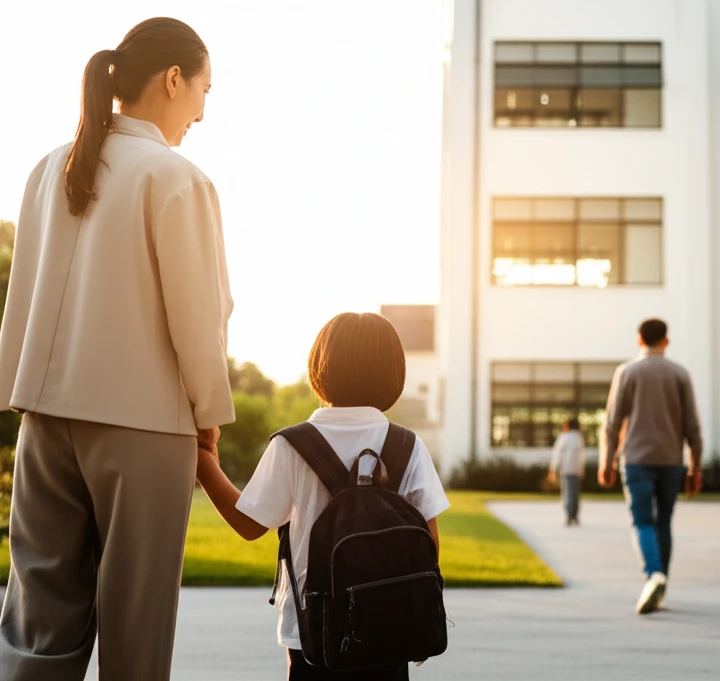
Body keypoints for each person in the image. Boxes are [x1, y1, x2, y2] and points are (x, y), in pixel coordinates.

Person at [0, 18, 233, 681]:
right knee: (137, 632)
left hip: (42, 420)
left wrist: (17, 394)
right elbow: (200, 316)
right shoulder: (177, 177)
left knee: (37, 629)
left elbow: (22, 294)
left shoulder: (51, 167)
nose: (203, 111)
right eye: (204, 90)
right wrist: (207, 414)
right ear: (172, 80)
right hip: (145, 426)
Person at [195, 312, 450, 681]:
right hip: (388, 624)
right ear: (395, 374)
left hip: (312, 635)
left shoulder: (292, 446)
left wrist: (204, 464)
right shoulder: (408, 446)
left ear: (320, 368)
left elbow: (249, 524)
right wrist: (415, 616)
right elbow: (428, 544)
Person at [599, 318, 703, 615]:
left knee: (642, 521)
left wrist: (607, 461)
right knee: (664, 522)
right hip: (671, 461)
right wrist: (695, 467)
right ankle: (661, 585)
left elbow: (613, 421)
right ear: (666, 341)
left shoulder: (627, 372)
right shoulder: (680, 374)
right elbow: (693, 427)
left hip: (636, 460)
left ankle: (653, 574)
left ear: (638, 340)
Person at [548, 418, 586, 526]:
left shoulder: (563, 437)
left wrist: (553, 469)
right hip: (576, 470)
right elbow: (582, 455)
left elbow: (557, 454)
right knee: (575, 494)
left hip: (566, 469)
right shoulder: (579, 437)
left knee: (567, 493)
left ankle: (569, 516)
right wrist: (582, 469)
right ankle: (574, 516)